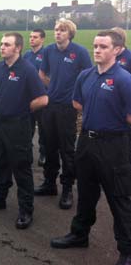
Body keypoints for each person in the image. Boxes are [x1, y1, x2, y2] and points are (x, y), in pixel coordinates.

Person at [50, 30, 131, 265]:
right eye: (95, 46)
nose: (97, 50)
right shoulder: (85, 75)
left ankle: (126, 251)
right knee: (85, 193)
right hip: (86, 141)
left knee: (119, 198)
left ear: (117, 50)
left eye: (104, 47)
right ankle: (79, 234)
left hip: (114, 145)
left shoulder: (125, 80)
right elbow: (77, 102)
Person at [0, 32, 48, 230]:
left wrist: (21, 108)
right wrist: (3, 105)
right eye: (1, 44)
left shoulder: (27, 69)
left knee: (21, 167)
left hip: (18, 126)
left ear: (17, 48)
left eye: (7, 44)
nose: (2, 47)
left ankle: (26, 210)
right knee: (0, 164)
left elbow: (42, 99)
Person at [36, 19, 92, 210]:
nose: (57, 33)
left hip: (68, 108)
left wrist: (76, 95)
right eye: (56, 30)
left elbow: (88, 76)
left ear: (70, 33)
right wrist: (52, 88)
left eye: (62, 30)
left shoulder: (80, 52)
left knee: (67, 149)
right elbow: (42, 74)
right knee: (49, 145)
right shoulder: (49, 50)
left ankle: (67, 188)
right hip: (50, 105)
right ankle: (49, 183)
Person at [23, 29, 47, 166]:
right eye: (30, 37)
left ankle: (44, 153)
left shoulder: (46, 54)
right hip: (27, 97)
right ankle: (26, 151)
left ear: (42, 39)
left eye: (35, 37)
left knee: (43, 128)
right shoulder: (26, 55)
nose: (31, 39)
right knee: (27, 126)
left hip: (41, 97)